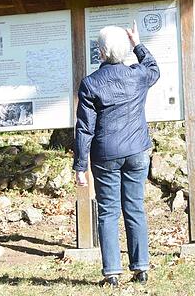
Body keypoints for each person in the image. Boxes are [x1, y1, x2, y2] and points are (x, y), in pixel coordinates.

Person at [74, 23, 160, 286]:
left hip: (106, 155)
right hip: (136, 151)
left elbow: (85, 128)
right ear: (124, 51)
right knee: (135, 208)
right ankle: (141, 268)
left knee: (108, 212)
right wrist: (138, 44)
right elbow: (154, 69)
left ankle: (112, 273)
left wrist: (80, 166)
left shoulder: (90, 84)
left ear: (100, 52)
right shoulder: (137, 75)